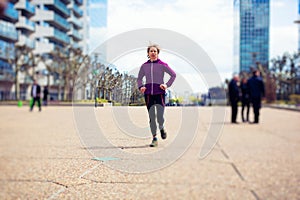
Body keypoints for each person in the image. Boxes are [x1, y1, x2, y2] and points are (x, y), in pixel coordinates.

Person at [137, 44, 176, 147]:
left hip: (160, 93)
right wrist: (141, 86)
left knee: (160, 117)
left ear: (158, 53)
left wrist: (166, 85)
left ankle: (162, 127)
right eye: (151, 51)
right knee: (151, 117)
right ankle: (154, 138)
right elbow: (139, 78)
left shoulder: (163, 64)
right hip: (148, 94)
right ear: (148, 53)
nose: (153, 53)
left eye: (155, 51)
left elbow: (173, 75)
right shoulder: (144, 66)